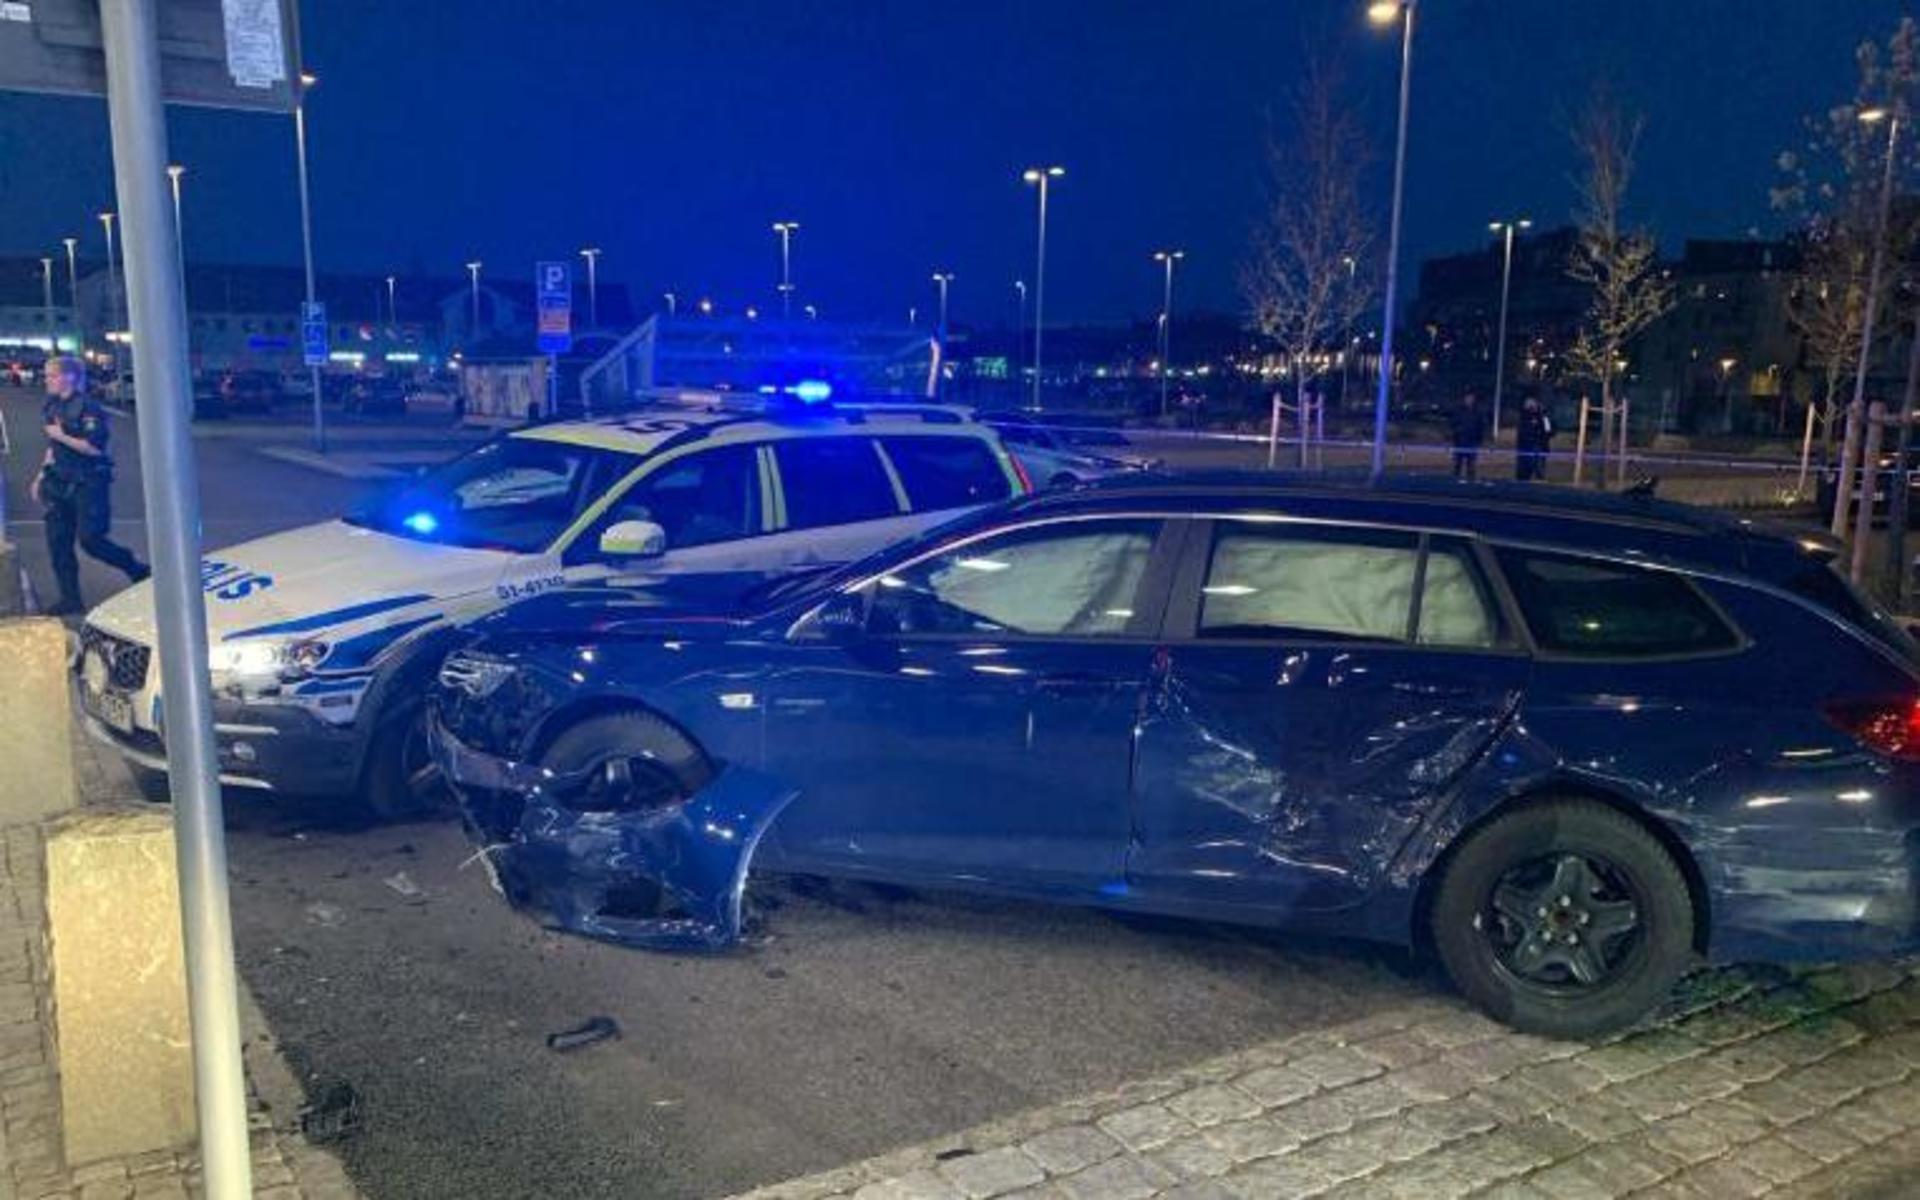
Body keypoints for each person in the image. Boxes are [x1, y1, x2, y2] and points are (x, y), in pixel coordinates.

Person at [32, 356, 147, 616]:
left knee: (91, 540)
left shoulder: (89, 408)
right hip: (58, 482)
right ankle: (70, 599)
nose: (47, 380)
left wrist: (61, 435)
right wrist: (40, 476)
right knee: (58, 544)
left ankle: (136, 569)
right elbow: (53, 447)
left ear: (69, 377)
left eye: (52, 375)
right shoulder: (51, 405)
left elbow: (94, 448)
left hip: (88, 482)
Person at [1448, 389, 1487, 481]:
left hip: (1472, 442)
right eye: (1468, 398)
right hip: (1460, 441)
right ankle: (1455, 481)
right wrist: (1457, 432)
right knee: (1458, 464)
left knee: (1471, 465)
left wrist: (1479, 439)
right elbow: (1453, 423)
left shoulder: (1478, 412)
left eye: (1471, 398)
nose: (1469, 399)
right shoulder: (1459, 410)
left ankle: (1471, 482)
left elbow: (1481, 426)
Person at [1515, 395, 1554, 482]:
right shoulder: (1524, 417)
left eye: (1534, 405)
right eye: (1530, 406)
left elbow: (1549, 431)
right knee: (1524, 470)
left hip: (1539, 446)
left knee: (1539, 469)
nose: (1533, 408)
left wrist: (1544, 419)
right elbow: (1523, 432)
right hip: (1527, 447)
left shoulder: (1543, 417)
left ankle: (1538, 482)